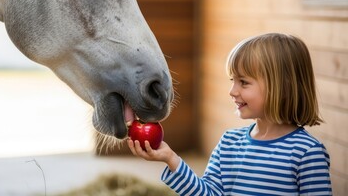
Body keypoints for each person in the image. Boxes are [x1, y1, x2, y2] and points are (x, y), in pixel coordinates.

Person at [127, 33, 332, 195]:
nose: (232, 91)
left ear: (283, 87)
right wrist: (170, 158)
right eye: (232, 81)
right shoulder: (229, 143)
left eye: (243, 82)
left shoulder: (307, 153)